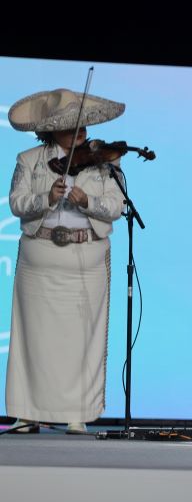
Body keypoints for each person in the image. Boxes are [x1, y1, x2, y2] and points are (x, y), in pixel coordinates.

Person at [5, 88, 126, 435]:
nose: (80, 135)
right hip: (39, 258)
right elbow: (16, 203)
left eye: (83, 128)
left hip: (85, 256)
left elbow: (116, 207)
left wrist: (87, 201)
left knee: (82, 338)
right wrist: (46, 198)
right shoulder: (29, 159)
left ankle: (78, 413)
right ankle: (27, 413)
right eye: (71, 128)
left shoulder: (105, 162)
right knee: (34, 338)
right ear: (51, 130)